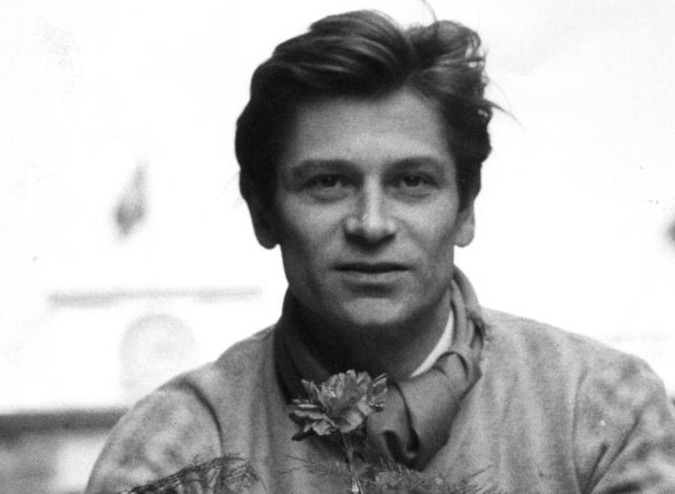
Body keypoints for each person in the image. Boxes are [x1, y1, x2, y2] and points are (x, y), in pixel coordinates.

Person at [85, 10, 675, 494]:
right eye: (328, 183)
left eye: (412, 181)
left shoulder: (601, 411)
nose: (371, 224)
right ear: (264, 212)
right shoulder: (180, 442)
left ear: (465, 209)